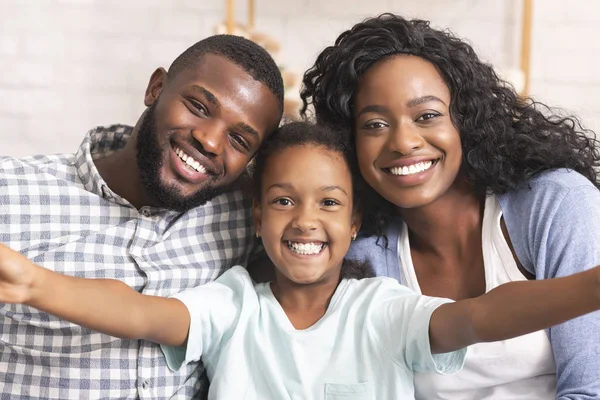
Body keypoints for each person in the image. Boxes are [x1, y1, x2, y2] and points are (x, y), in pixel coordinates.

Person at [1, 121, 600, 400]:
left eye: (329, 203)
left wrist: (590, 288)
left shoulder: (383, 310)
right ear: (258, 219)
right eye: (283, 201)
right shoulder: (233, 304)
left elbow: (480, 317)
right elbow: (136, 311)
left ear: (355, 223)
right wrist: (34, 284)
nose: (306, 220)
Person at [300, 13, 600, 400]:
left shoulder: (555, 205)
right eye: (375, 124)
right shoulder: (361, 255)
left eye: (427, 116)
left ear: (465, 121)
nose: (403, 142)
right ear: (348, 142)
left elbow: (591, 389)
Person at [0, 34, 283, 399]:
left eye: (240, 141)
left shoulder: (247, 217)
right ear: (156, 88)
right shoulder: (11, 193)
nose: (211, 142)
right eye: (198, 106)